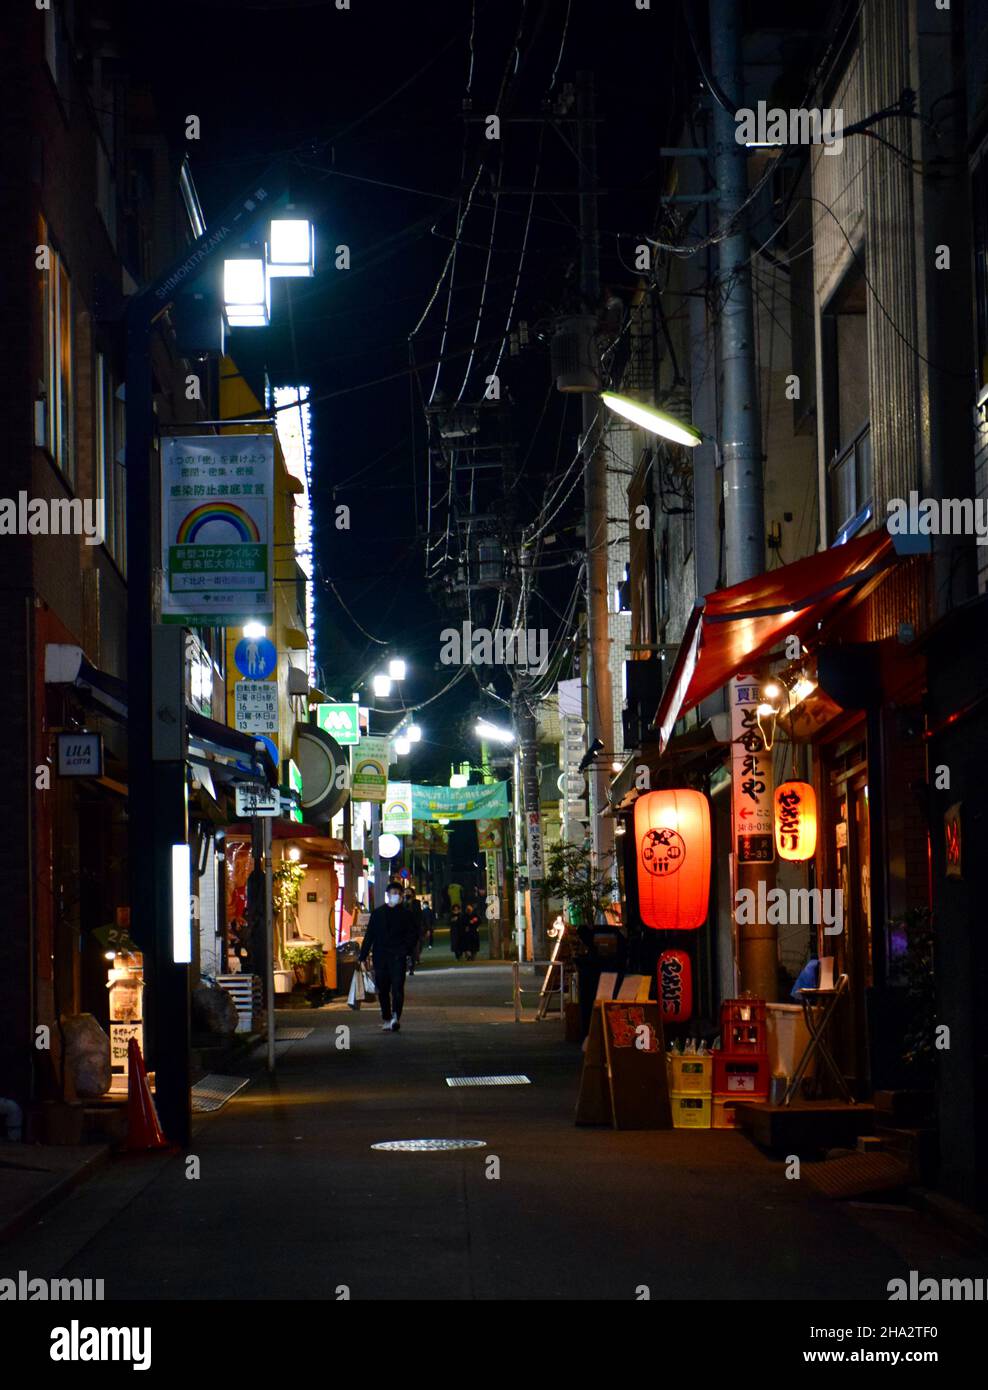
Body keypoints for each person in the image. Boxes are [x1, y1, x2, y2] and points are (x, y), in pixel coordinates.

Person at [358, 882, 420, 1032]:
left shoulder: (407, 914)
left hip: (398, 956)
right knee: (383, 988)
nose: (396, 895)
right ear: (387, 894)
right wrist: (362, 955)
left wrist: (406, 950)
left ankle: (395, 1017)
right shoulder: (378, 914)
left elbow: (414, 934)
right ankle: (387, 1016)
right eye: (393, 892)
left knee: (398, 987)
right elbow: (370, 935)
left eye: (398, 893)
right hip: (381, 957)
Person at [402, 888, 423, 973]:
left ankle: (412, 966)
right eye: (405, 892)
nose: (407, 894)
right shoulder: (402, 903)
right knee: (405, 948)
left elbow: (418, 915)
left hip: (414, 929)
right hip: (404, 930)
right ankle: (407, 963)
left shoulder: (416, 903)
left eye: (408, 892)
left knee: (413, 949)